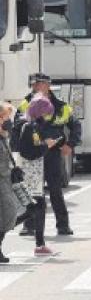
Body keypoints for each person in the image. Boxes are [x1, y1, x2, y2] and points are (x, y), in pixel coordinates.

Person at [18, 73, 80, 236]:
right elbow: (18, 127)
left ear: (47, 85)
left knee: (55, 190)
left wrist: (70, 144)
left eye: (38, 83)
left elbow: (75, 126)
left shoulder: (61, 106)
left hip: (52, 154)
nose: (35, 87)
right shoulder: (26, 103)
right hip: (33, 155)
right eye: (33, 84)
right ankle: (29, 225)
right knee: (32, 190)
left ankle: (63, 225)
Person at [17, 95, 60, 256]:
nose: (47, 115)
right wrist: (46, 146)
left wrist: (45, 144)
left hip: (34, 176)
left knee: (34, 209)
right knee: (34, 208)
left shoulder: (34, 126)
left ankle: (40, 245)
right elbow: (27, 152)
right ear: (39, 111)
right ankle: (39, 245)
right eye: (45, 112)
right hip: (29, 176)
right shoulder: (29, 127)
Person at [0, 103, 19, 262]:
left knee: (10, 213)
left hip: (5, 180)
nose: (7, 121)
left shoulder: (4, 136)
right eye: (4, 117)